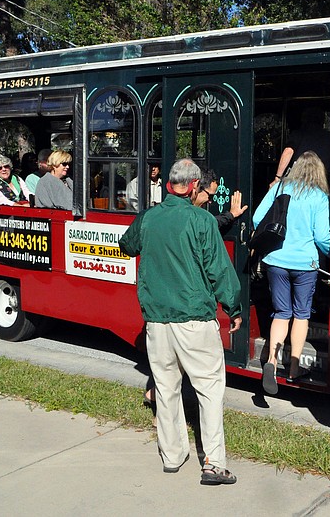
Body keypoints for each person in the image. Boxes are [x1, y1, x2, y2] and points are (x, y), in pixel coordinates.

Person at [118, 158, 242, 486]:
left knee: (166, 388)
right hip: (195, 319)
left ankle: (172, 456)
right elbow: (220, 270)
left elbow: (126, 246)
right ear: (191, 187)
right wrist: (235, 306)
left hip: (157, 321)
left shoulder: (149, 217)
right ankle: (214, 464)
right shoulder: (202, 221)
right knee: (210, 390)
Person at [254, 151, 330, 394]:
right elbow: (321, 236)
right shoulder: (319, 197)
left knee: (281, 312)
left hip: (275, 260)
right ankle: (295, 368)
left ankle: (271, 362)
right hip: (305, 264)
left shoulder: (279, 189)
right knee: (301, 314)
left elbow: (257, 219)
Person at [271, 107, 330, 186]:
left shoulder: (297, 135)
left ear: (303, 119)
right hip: (323, 181)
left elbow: (288, 151)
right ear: (322, 121)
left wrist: (278, 177)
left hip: (299, 181)